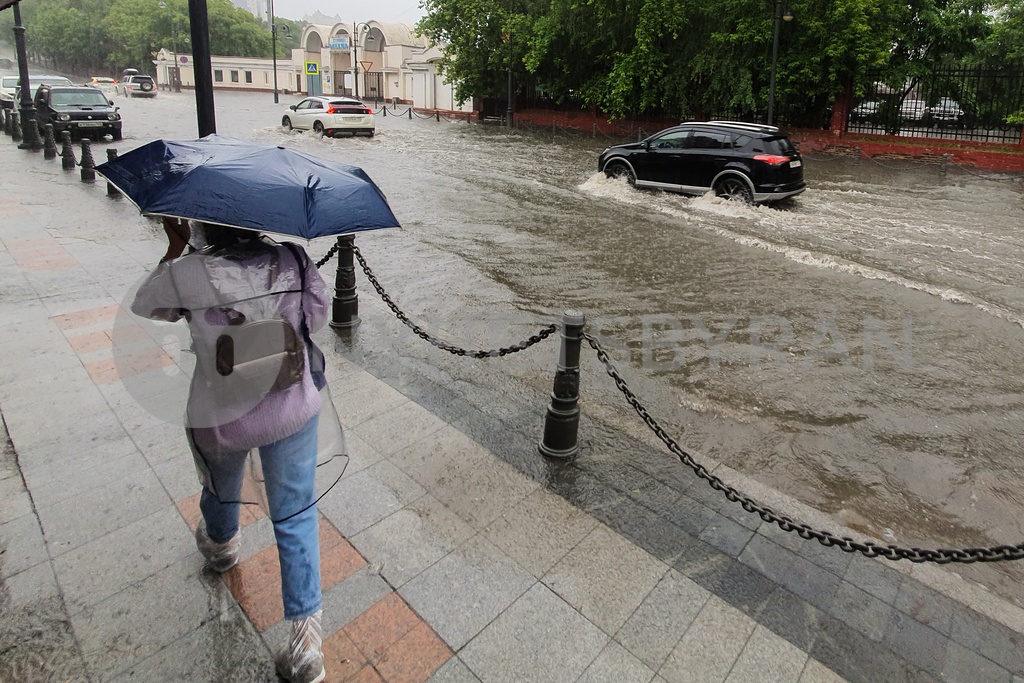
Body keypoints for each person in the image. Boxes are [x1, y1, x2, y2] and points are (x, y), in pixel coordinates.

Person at [132, 218, 330, 683]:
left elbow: (147, 304)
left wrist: (176, 248)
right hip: (290, 407)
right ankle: (306, 647)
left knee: (221, 488)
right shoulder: (293, 259)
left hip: (221, 416)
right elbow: (318, 317)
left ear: (201, 223)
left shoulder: (187, 273)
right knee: (296, 514)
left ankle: (222, 546)